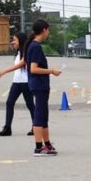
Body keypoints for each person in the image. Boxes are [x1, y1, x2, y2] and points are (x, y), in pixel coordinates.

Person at [25, 19, 63, 156]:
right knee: (39, 115)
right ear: (44, 30)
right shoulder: (35, 46)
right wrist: (51, 71)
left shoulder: (34, 45)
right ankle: (38, 147)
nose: (49, 32)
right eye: (48, 30)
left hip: (40, 85)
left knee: (43, 115)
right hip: (38, 85)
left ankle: (46, 144)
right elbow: (33, 69)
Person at [0, 32, 35, 137]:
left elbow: (20, 65)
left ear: (20, 41)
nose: (13, 42)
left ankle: (36, 126)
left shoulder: (26, 52)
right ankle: (7, 128)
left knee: (30, 105)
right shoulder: (18, 53)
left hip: (26, 83)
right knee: (9, 103)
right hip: (16, 82)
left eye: (15, 40)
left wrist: (4, 71)